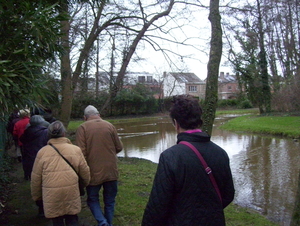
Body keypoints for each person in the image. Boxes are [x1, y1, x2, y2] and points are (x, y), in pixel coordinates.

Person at [142, 95, 235, 226]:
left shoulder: (170, 157)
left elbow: (158, 206)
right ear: (199, 120)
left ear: (176, 123)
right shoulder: (221, 153)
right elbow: (228, 194)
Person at [31, 121, 90, 226]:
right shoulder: (75, 150)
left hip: (51, 194)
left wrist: (37, 196)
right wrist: (83, 185)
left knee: (57, 220)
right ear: (64, 133)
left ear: (49, 135)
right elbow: (85, 173)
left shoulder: (42, 152)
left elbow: (36, 179)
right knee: (72, 217)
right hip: (71, 190)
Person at [75, 105, 123, 226]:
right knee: (110, 200)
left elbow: (81, 153)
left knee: (92, 199)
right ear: (99, 115)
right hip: (111, 170)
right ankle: (108, 223)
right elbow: (119, 147)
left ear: (85, 117)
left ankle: (103, 223)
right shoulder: (109, 125)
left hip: (92, 172)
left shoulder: (82, 128)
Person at [20, 115, 49, 181]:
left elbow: (22, 139)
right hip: (42, 152)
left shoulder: (27, 131)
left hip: (29, 153)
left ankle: (29, 177)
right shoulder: (45, 132)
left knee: (31, 167)